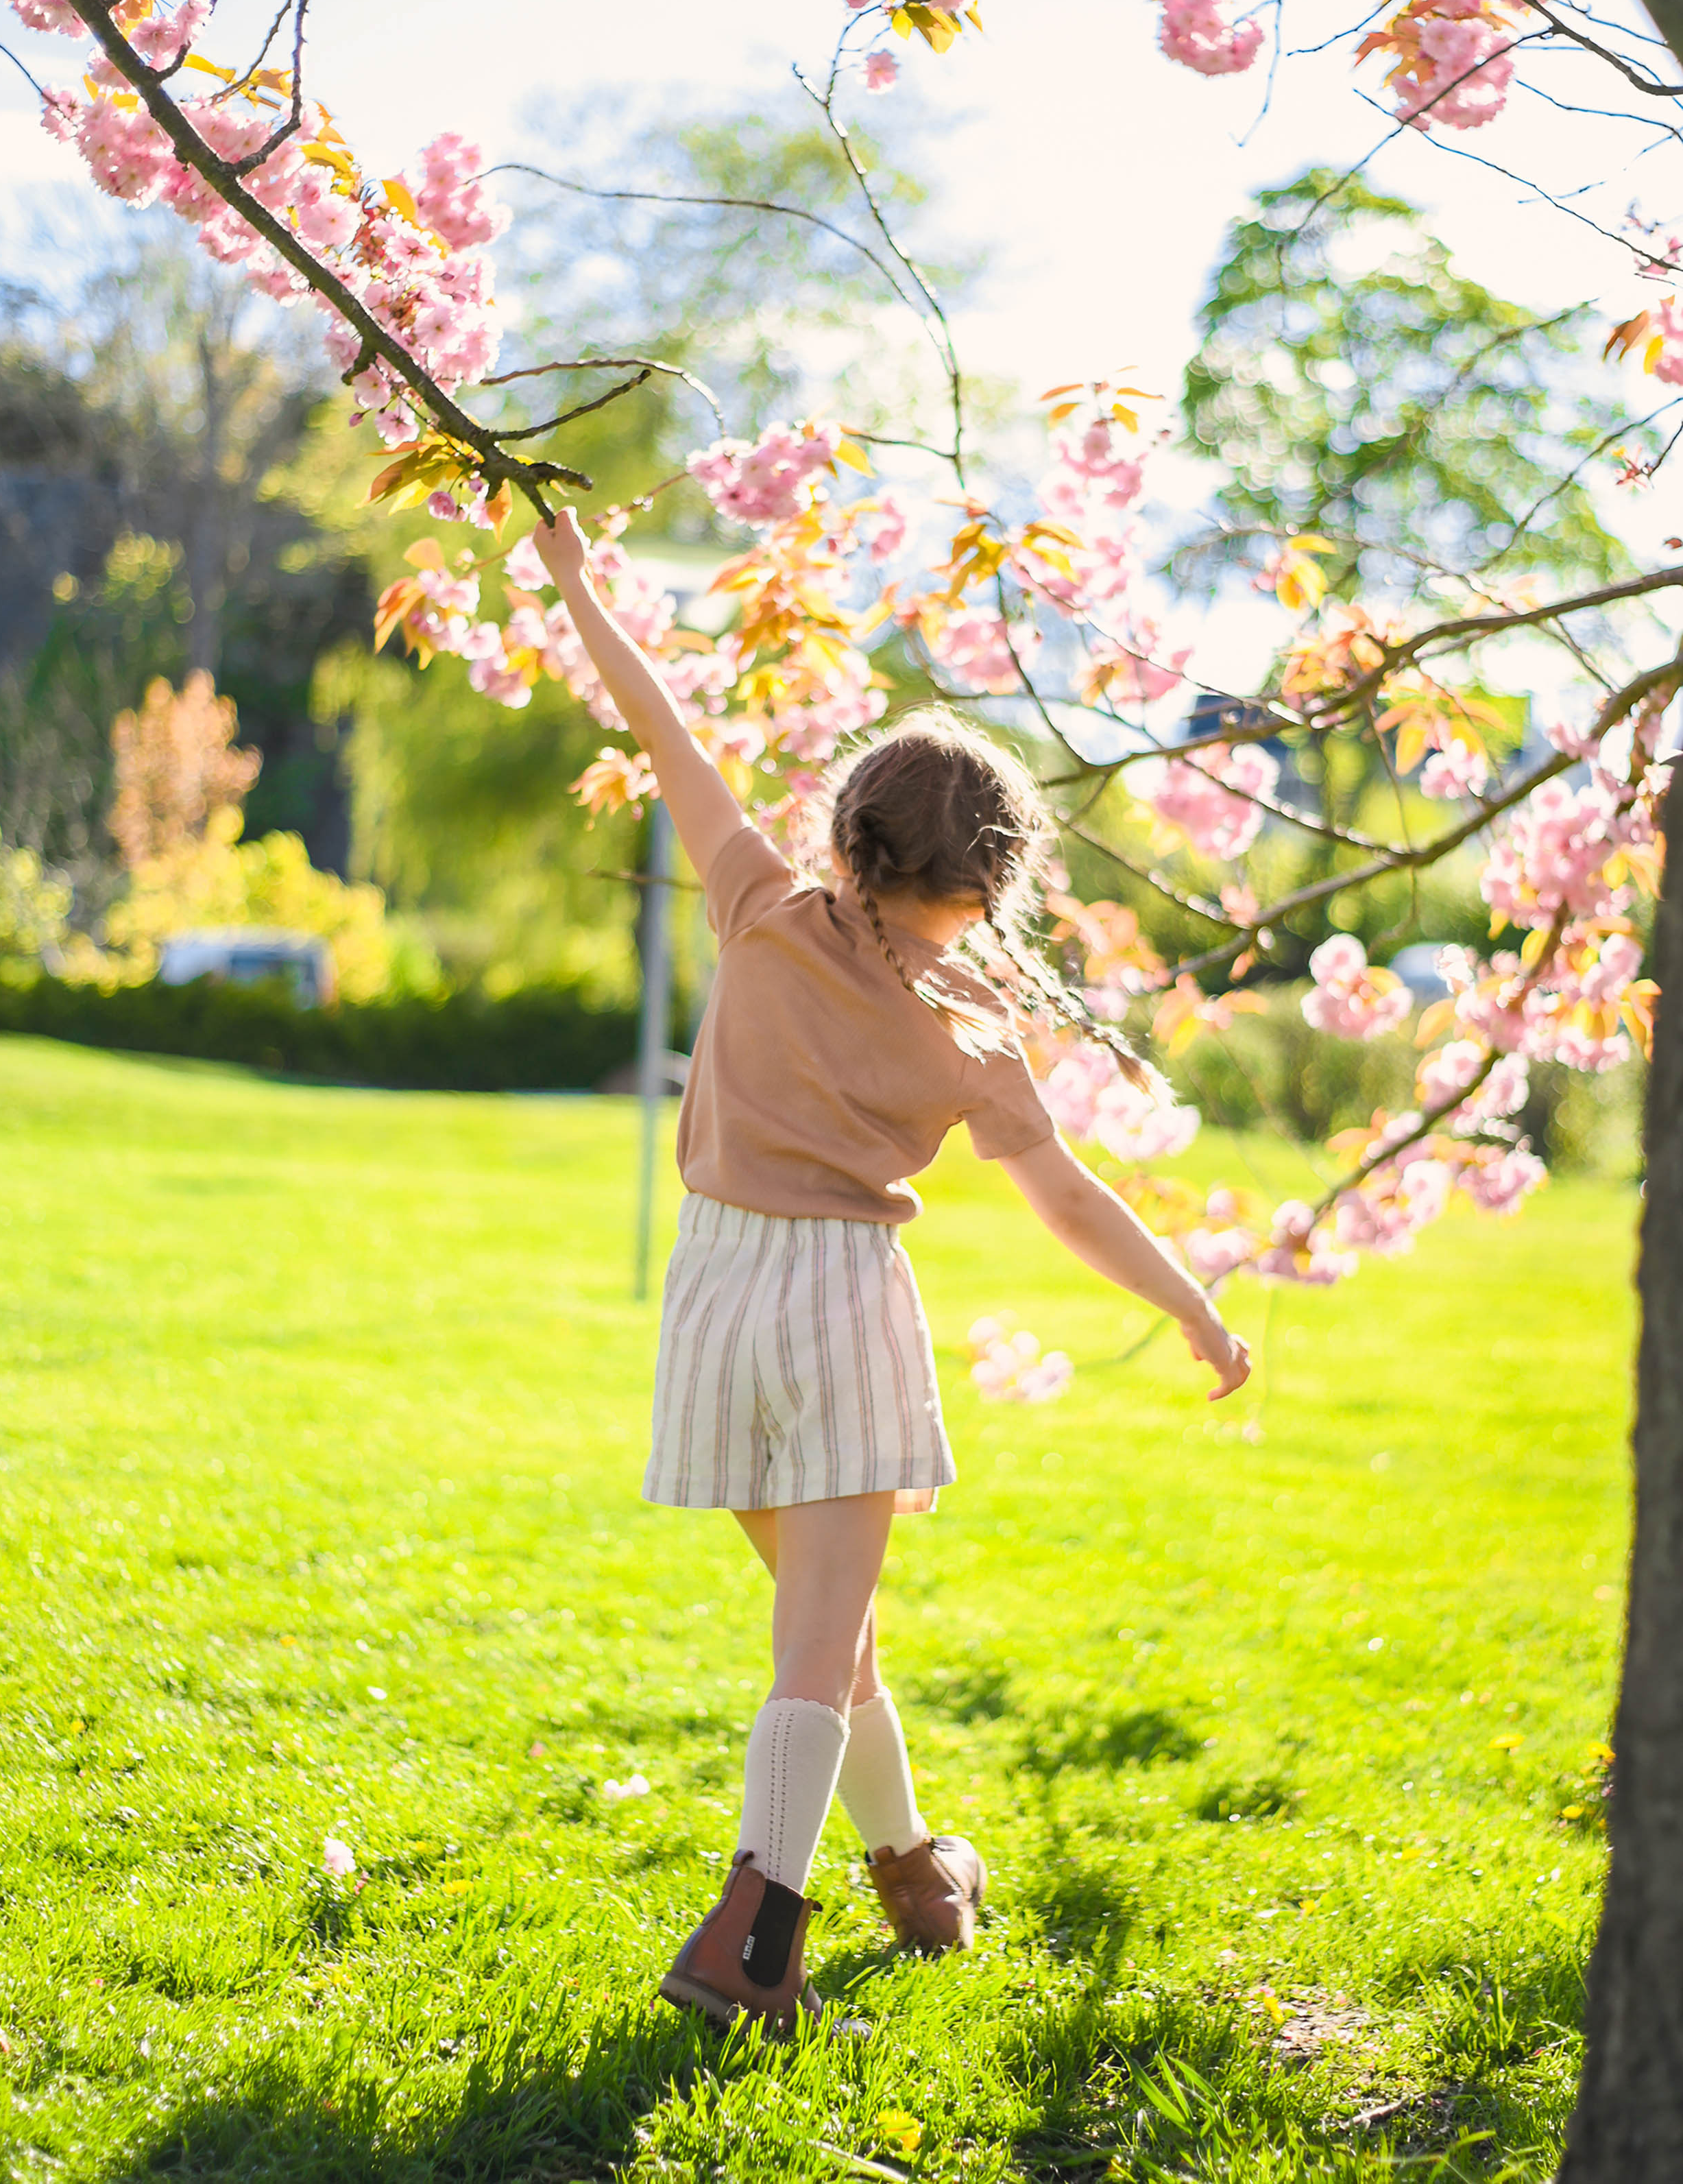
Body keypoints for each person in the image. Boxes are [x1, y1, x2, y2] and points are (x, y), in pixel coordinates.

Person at [531, 506, 1250, 2037]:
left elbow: (656, 720)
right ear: (986, 884)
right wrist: (1184, 1298)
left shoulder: (756, 903)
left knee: (831, 1639)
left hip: (713, 1301)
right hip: (845, 1308)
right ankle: (746, 1951)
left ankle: (917, 1873)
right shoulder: (970, 1029)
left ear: (846, 835)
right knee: (814, 1651)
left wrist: (578, 582)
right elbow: (1066, 1199)